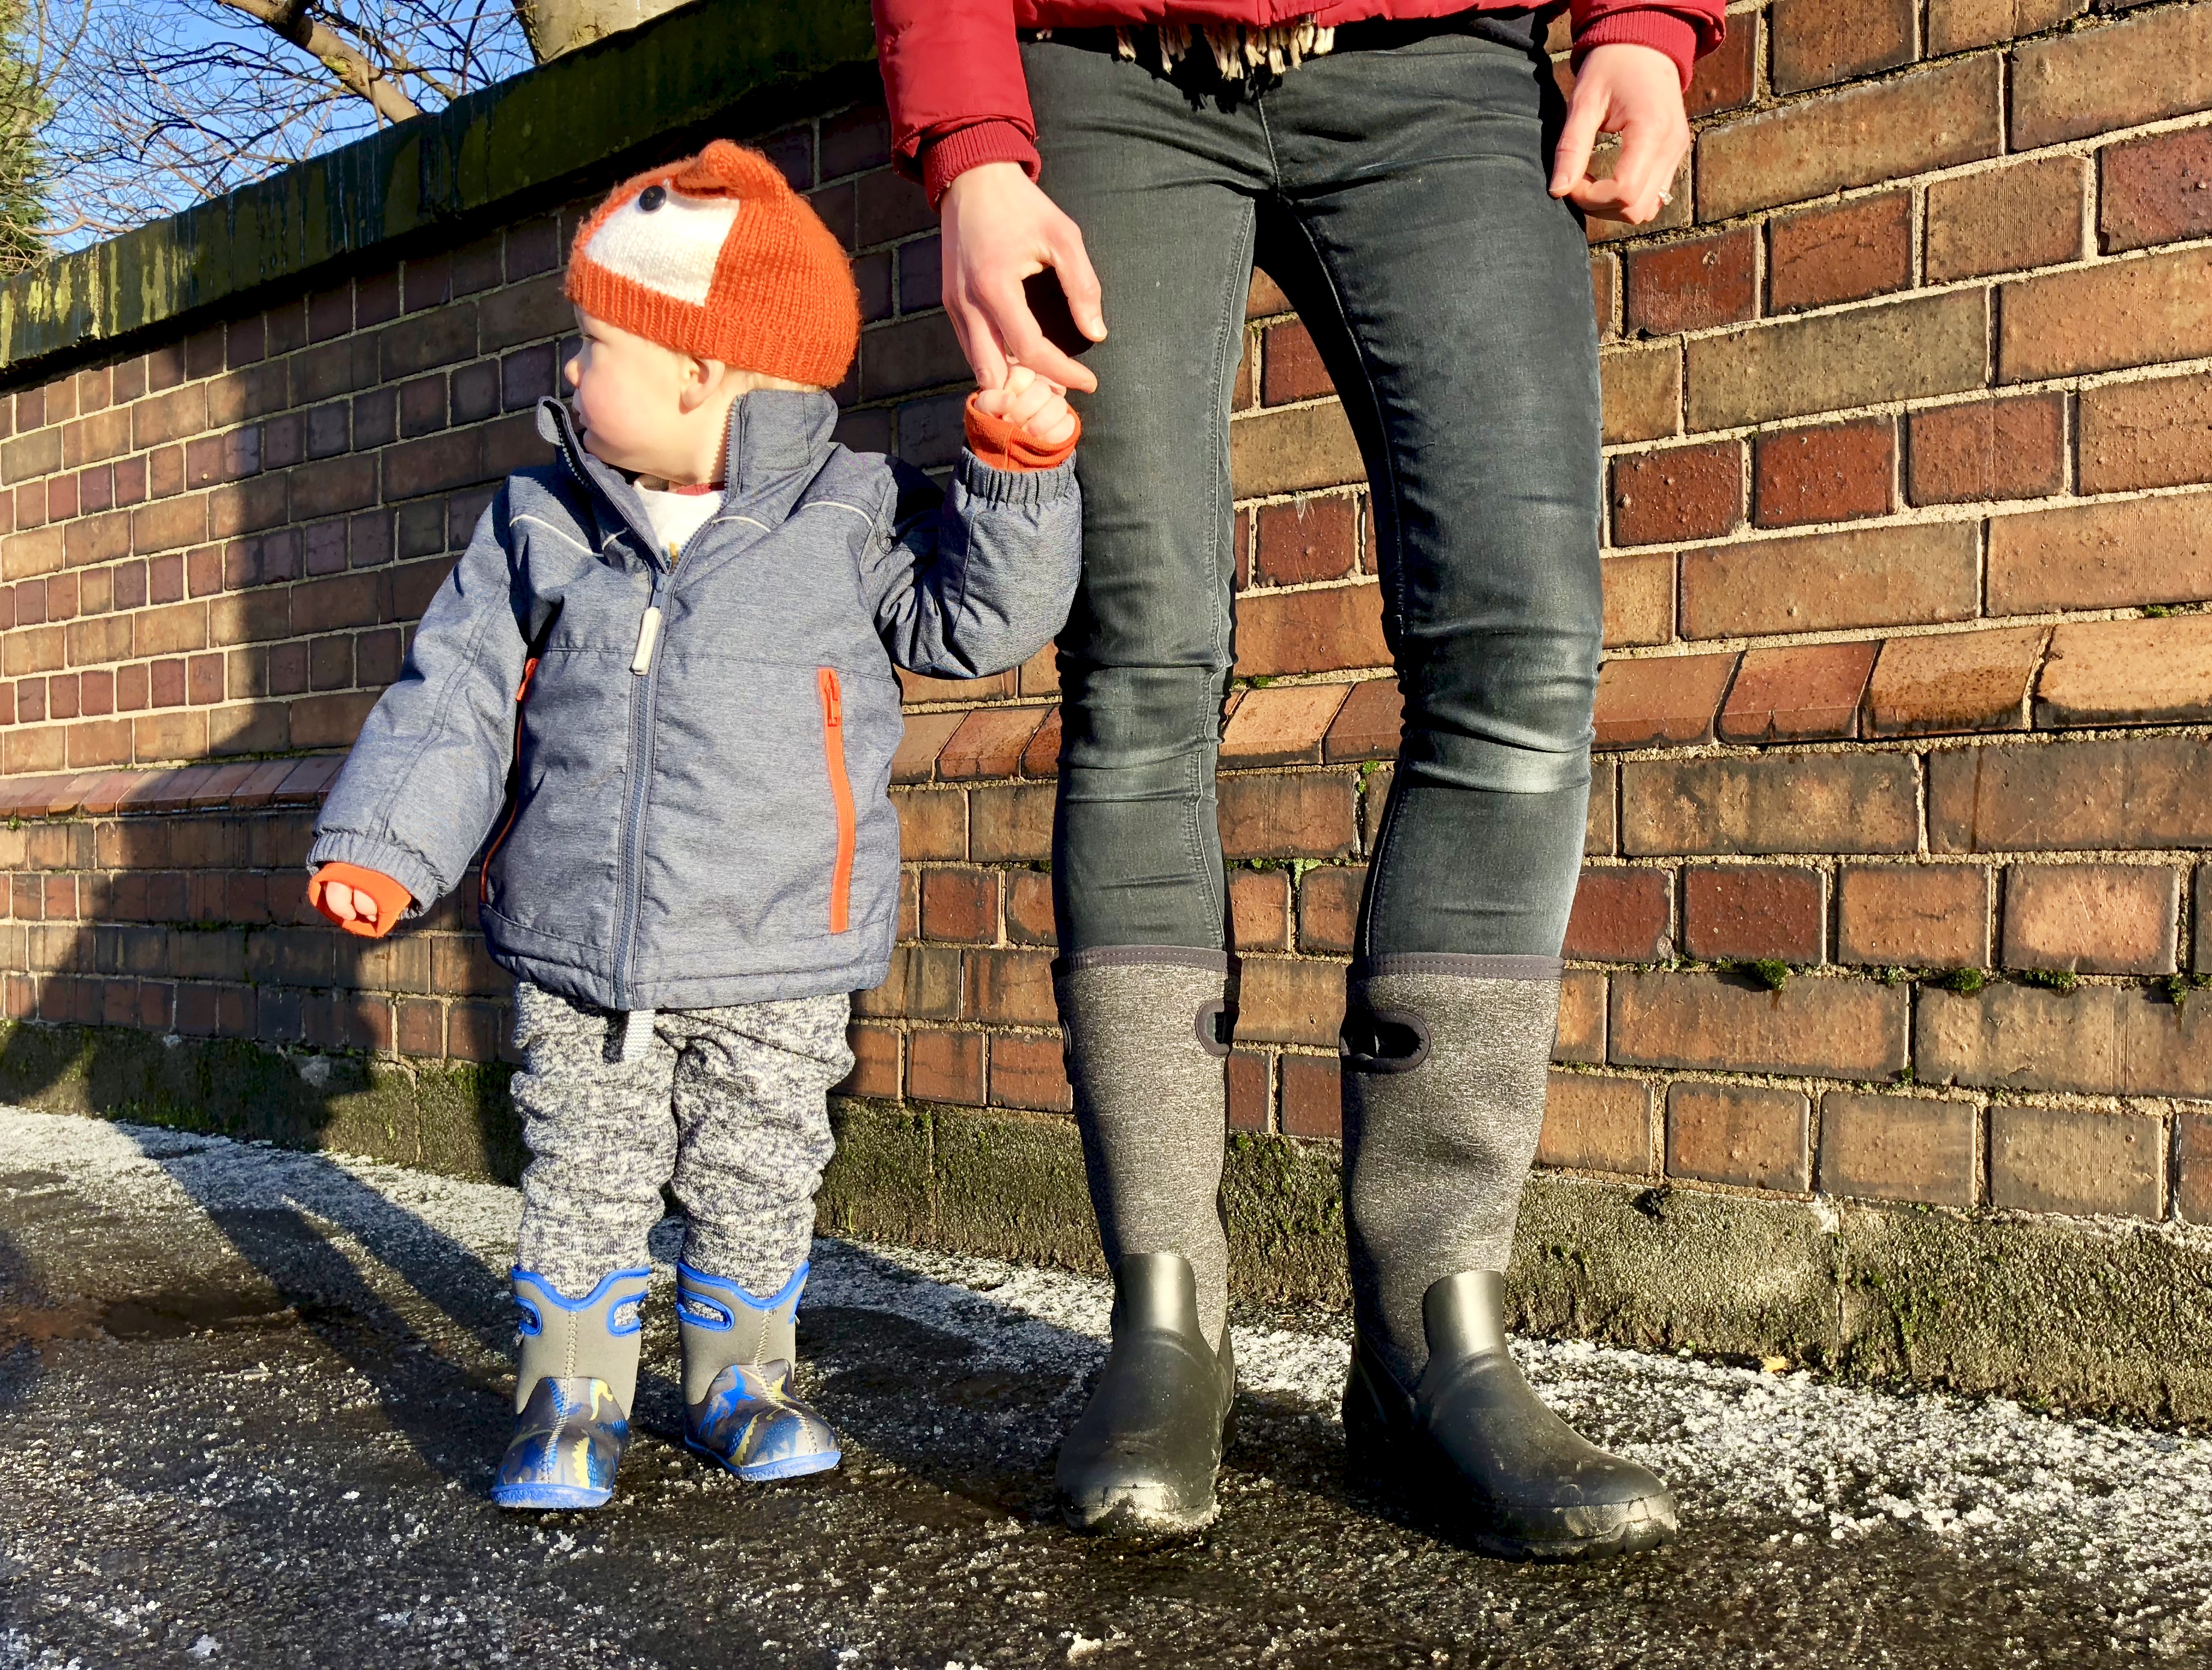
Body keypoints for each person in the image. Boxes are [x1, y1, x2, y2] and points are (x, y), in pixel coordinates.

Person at [874, 0, 1721, 1557]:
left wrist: (1651, 21)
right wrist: (974, 147)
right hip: (1098, 69)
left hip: (1444, 68)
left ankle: (1433, 1336)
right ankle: (1165, 1322)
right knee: (1139, 672)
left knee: (1519, 660)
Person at [303, 140, 1083, 1509]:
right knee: (585, 1167)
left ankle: (741, 1377)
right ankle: (569, 1392)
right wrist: (386, 840)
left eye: (596, 341)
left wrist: (1016, 471)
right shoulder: (539, 518)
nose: (570, 373)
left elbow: (974, 624)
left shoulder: (845, 512)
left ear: (701, 367)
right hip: (578, 939)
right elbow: (460, 696)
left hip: (783, 936)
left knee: (758, 1163)